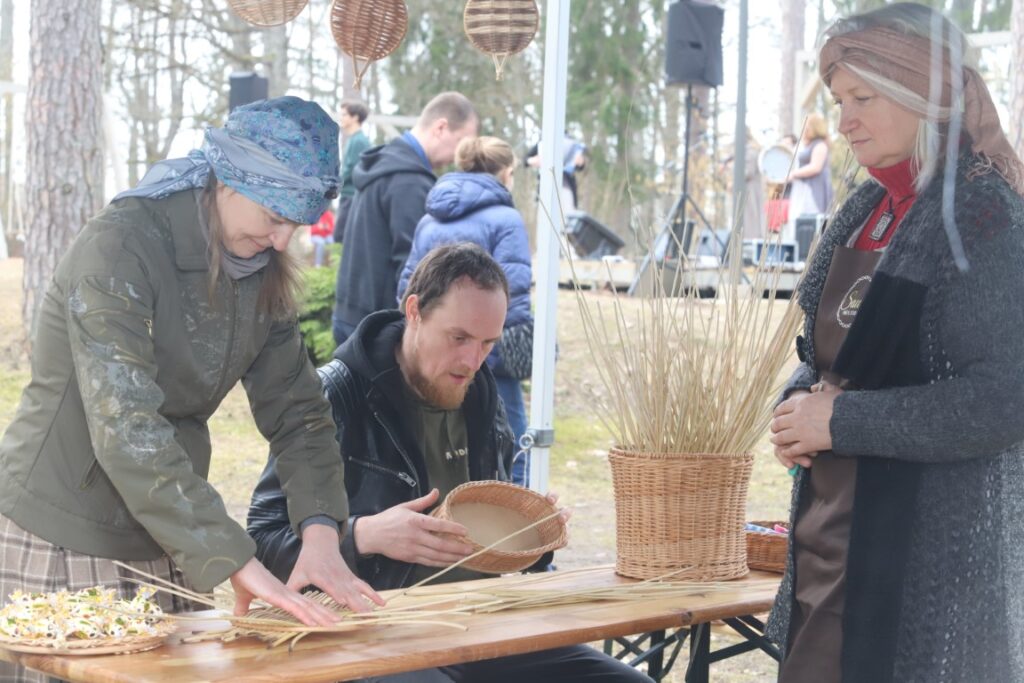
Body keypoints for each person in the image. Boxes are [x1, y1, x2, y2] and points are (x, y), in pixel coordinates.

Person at [0, 96, 383, 683]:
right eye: (275, 215)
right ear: (228, 178)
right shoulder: (121, 247)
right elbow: (126, 425)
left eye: (296, 224)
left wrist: (322, 529)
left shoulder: (260, 271)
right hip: (63, 523)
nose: (283, 241)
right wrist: (235, 556)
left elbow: (299, 411)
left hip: (167, 523)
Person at [249, 244, 651, 683]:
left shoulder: (481, 396)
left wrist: (532, 536)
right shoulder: (335, 397)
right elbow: (262, 541)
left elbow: (489, 547)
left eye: (487, 343)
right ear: (415, 311)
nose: (472, 361)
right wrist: (364, 536)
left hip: (476, 622)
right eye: (458, 338)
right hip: (369, 626)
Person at [767, 4, 1024, 682]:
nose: (845, 119)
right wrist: (797, 408)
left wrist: (840, 419)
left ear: (925, 93)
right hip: (831, 545)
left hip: (920, 567)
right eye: (839, 99)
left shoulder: (982, 212)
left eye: (864, 97)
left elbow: (1003, 400)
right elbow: (819, 359)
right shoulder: (864, 208)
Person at [397, 136, 534, 486]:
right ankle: (510, 518)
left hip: (436, 357)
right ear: (504, 172)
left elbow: (409, 284)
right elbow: (513, 290)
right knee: (512, 448)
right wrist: (503, 346)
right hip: (493, 359)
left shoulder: (430, 219)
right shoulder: (506, 218)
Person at [331, 92, 479, 346]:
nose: (459, 155)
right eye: (461, 141)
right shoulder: (409, 182)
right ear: (441, 128)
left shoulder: (384, 165)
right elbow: (416, 271)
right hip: (378, 328)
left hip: (350, 314)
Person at [783, 113, 833, 242]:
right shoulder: (806, 144)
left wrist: (793, 174)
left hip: (813, 188)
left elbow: (816, 167)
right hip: (801, 188)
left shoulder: (820, 145)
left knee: (810, 219)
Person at [333, 99, 371, 244]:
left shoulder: (359, 141)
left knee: (341, 238)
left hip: (352, 197)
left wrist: (334, 185)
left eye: (344, 115)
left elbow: (351, 169)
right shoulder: (354, 139)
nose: (341, 118)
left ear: (355, 117)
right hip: (348, 196)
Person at [526, 133, 587, 211]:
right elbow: (525, 159)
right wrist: (531, 160)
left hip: (566, 186)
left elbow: (581, 167)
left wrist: (581, 162)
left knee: (567, 215)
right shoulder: (543, 142)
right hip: (546, 186)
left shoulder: (572, 143)